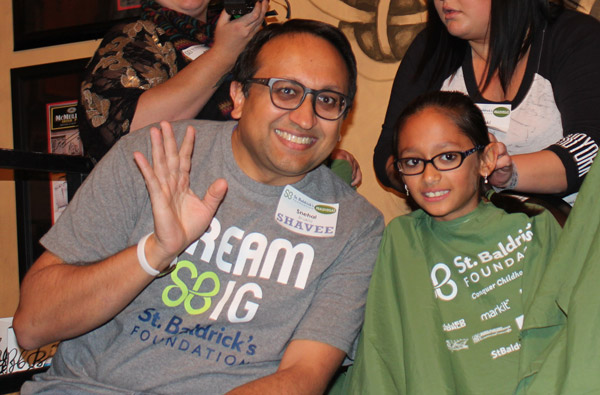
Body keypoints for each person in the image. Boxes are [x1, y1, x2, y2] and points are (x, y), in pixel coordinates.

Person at [14, 19, 384, 394]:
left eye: (327, 100)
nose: (306, 118)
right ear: (239, 97)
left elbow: (302, 377)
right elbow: (32, 325)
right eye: (285, 91)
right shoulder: (153, 154)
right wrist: (154, 252)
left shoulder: (355, 227)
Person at [343, 91, 561, 393]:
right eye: (413, 161)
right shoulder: (402, 240)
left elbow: (565, 332)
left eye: (447, 157)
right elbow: (384, 351)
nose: (429, 176)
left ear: (485, 161)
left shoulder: (535, 226)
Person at [78, 0, 362, 186]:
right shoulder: (134, 37)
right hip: (165, 206)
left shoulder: (245, 34)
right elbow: (126, 135)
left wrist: (310, 155)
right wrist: (223, 54)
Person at [373, 0, 600, 206]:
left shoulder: (574, 36)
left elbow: (591, 148)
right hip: (464, 237)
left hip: (567, 233)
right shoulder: (430, 50)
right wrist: (424, 168)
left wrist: (503, 172)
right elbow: (388, 153)